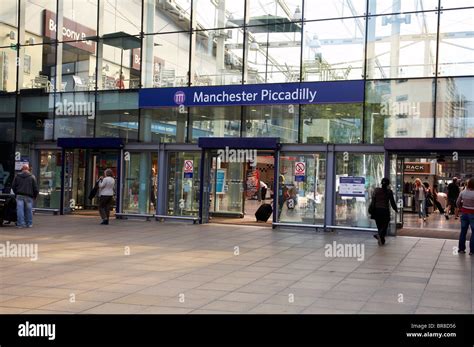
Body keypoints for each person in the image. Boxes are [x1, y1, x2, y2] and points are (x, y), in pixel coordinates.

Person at [371, 178, 398, 246]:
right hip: (385, 211)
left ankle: (381, 240)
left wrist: (372, 210)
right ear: (388, 184)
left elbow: (373, 201)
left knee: (380, 226)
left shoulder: (376, 190)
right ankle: (379, 235)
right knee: (385, 225)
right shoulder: (389, 191)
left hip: (376, 211)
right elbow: (392, 202)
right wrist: (395, 209)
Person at [12, 164, 39, 228]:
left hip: (19, 195)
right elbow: (35, 188)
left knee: (19, 210)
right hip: (29, 196)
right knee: (29, 210)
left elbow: (13, 187)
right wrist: (34, 196)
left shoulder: (17, 176)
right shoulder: (32, 177)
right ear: (28, 169)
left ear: (22, 169)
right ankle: (29, 223)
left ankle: (20, 224)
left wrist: (16, 193)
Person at [456, 178, 474, 255]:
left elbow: (457, 202)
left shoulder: (463, 192)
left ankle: (461, 249)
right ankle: (472, 251)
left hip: (464, 213)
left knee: (463, 232)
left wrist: (461, 209)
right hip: (473, 214)